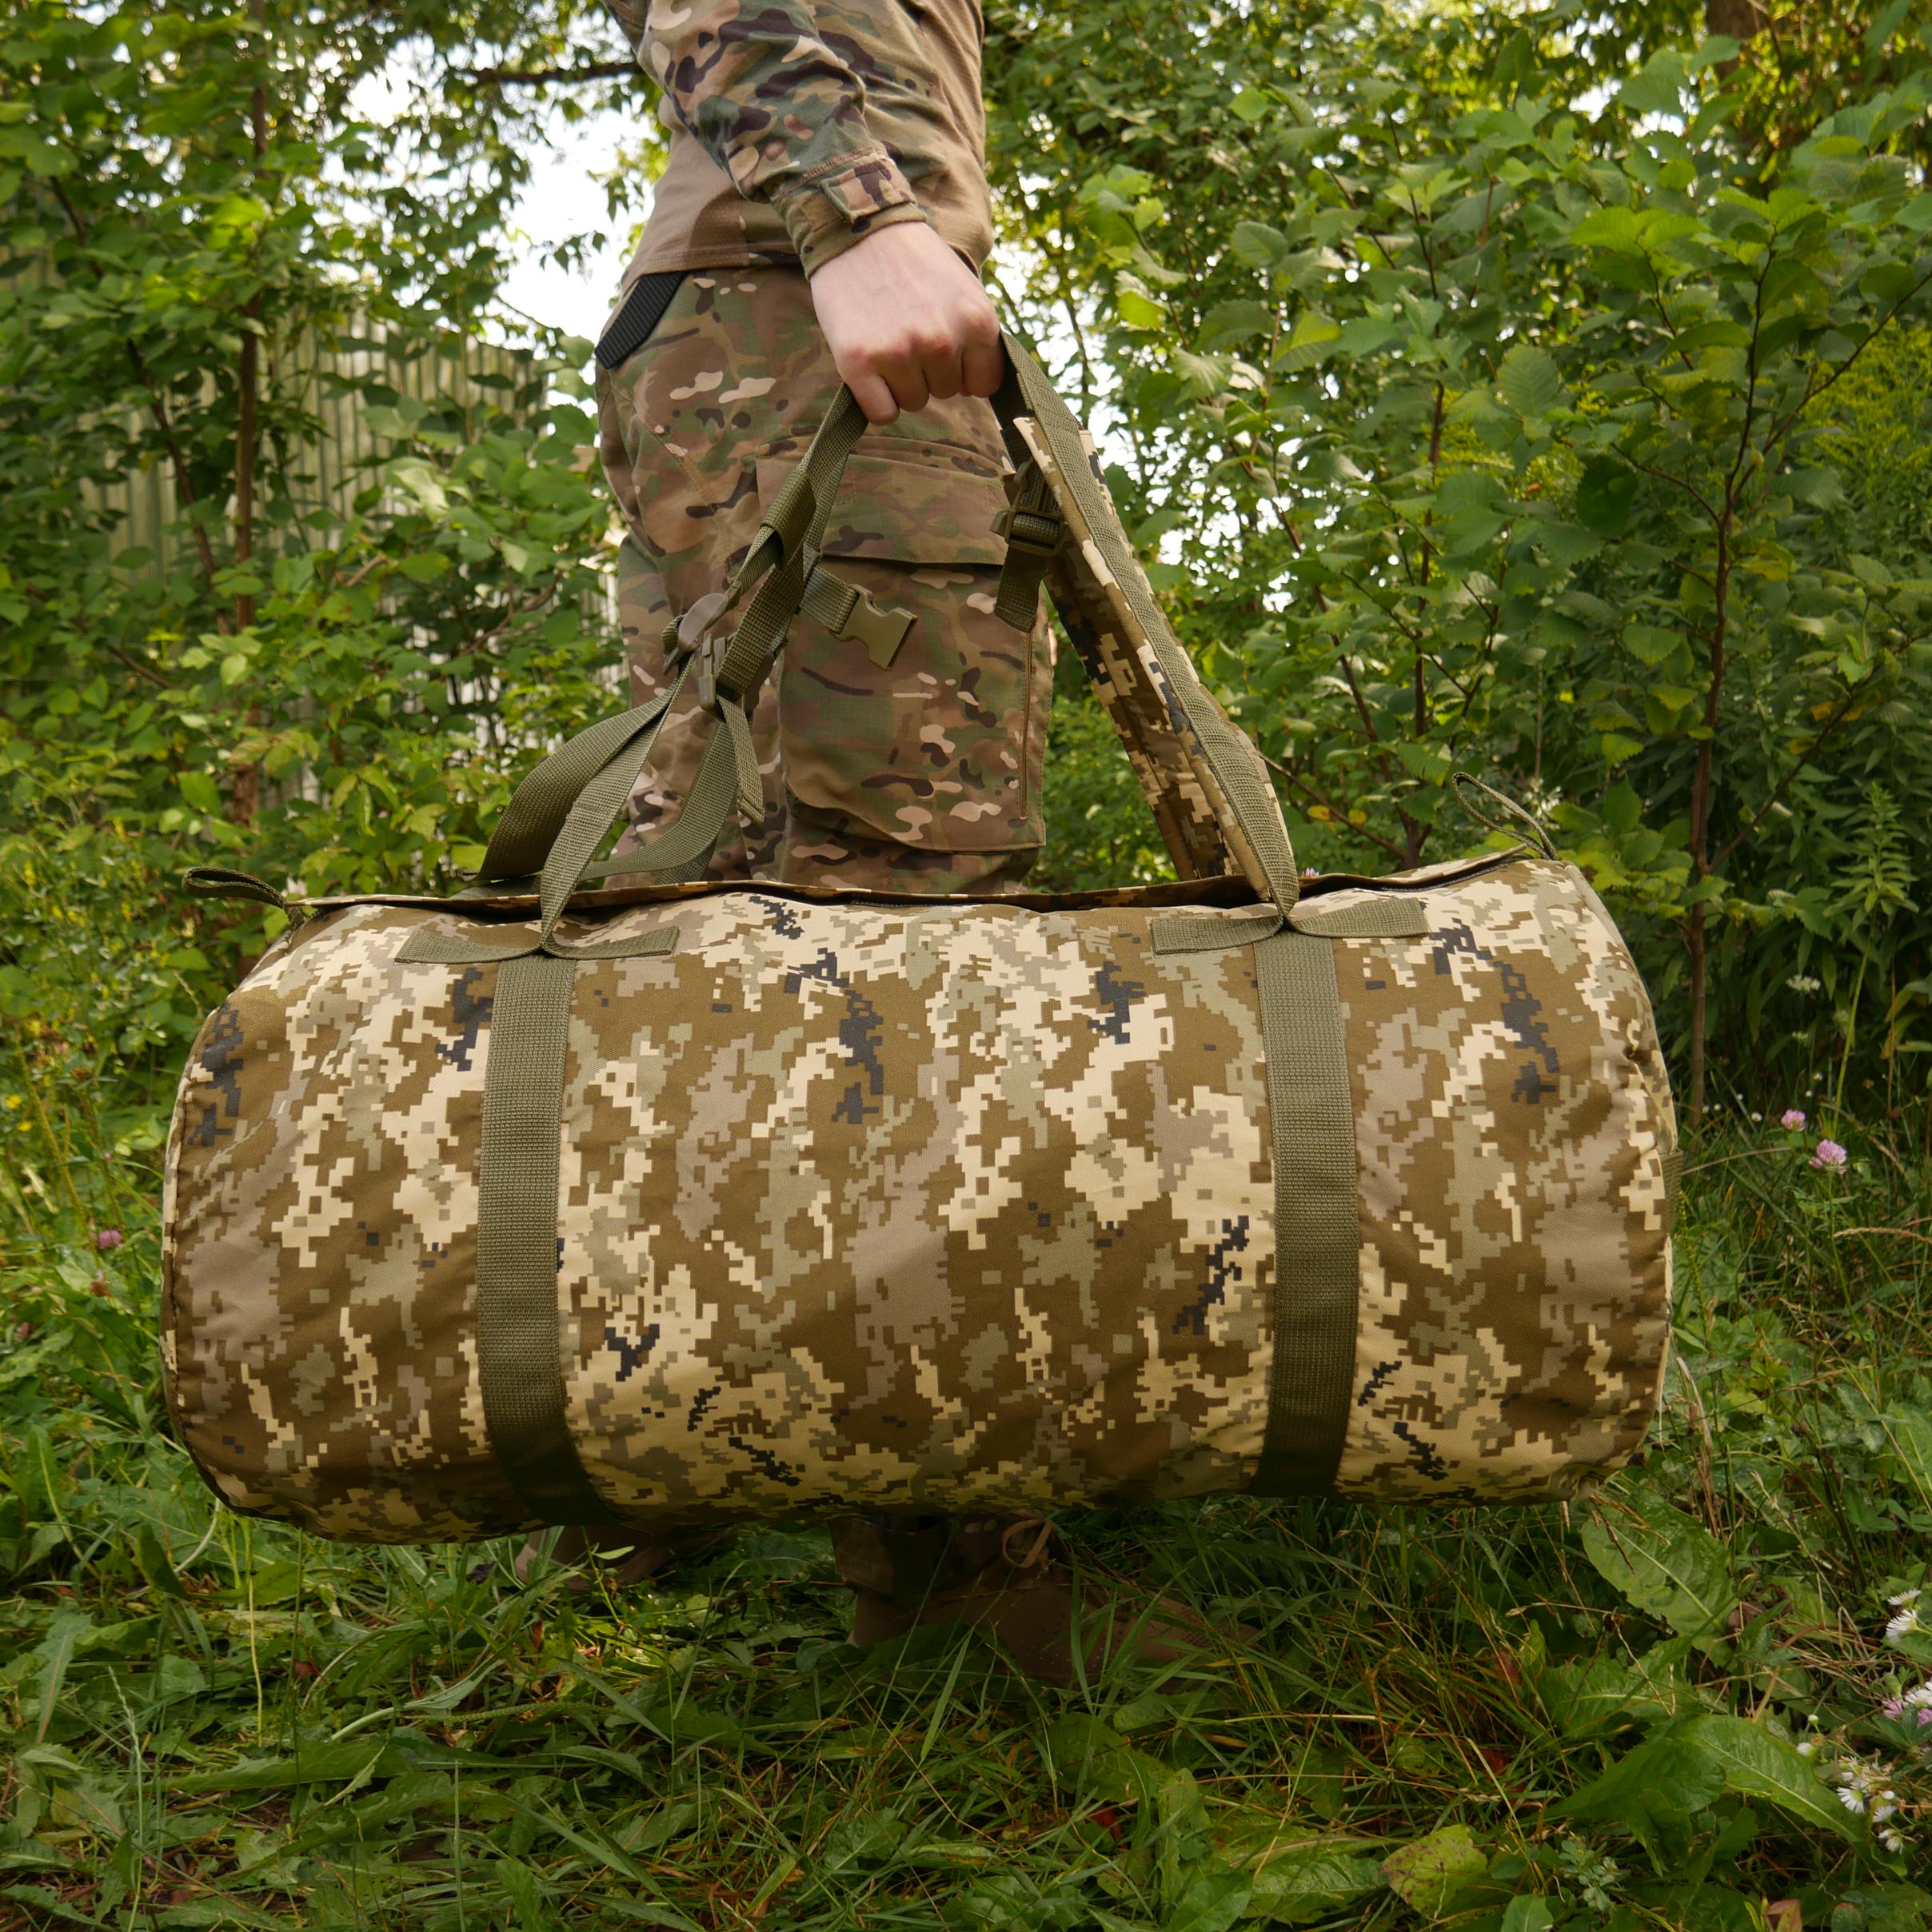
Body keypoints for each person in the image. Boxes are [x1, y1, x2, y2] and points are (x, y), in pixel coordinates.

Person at [522, 0, 1208, 1686]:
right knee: (914, 954)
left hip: (755, 317)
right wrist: (862, 217)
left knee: (739, 910)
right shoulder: (836, 237)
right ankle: (961, 1602)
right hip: (802, 307)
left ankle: (682, 1427)